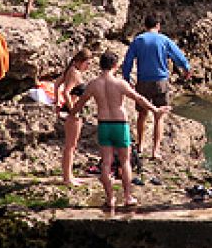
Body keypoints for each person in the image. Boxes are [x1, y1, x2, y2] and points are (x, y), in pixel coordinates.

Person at [70, 49, 170, 213]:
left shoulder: (93, 84)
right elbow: (139, 98)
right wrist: (155, 110)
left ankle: (110, 199)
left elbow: (80, 103)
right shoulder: (120, 83)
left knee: (106, 163)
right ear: (115, 65)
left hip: (104, 124)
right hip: (120, 124)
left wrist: (71, 114)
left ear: (101, 65)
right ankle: (128, 197)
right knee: (124, 162)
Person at [121, 13, 191, 180]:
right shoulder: (164, 40)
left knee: (142, 114)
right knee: (159, 115)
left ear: (145, 26)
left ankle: (140, 146)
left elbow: (128, 61)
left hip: (143, 81)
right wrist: (186, 68)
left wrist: (127, 77)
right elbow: (178, 57)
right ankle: (156, 150)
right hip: (161, 81)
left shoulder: (138, 40)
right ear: (158, 25)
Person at [53, 48, 92, 186]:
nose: (88, 66)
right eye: (87, 63)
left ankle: (68, 175)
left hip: (71, 110)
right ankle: (67, 178)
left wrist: (56, 102)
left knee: (71, 145)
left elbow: (57, 84)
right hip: (73, 112)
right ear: (80, 62)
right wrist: (73, 111)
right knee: (71, 145)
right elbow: (66, 92)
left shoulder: (70, 70)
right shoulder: (74, 73)